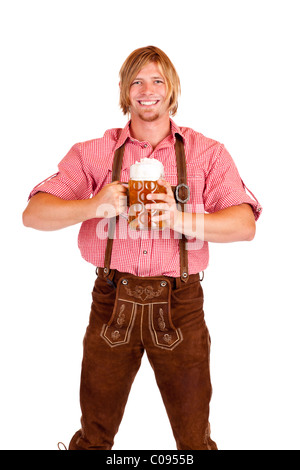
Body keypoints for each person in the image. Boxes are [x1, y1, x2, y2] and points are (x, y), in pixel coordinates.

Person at [23, 45, 262, 450]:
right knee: (94, 438)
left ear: (171, 89)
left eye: (157, 80)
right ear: (123, 90)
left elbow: (245, 225)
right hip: (112, 297)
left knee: (193, 439)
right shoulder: (94, 152)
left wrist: (179, 218)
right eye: (136, 80)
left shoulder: (207, 152)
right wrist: (94, 205)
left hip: (181, 302)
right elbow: (33, 214)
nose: (146, 89)